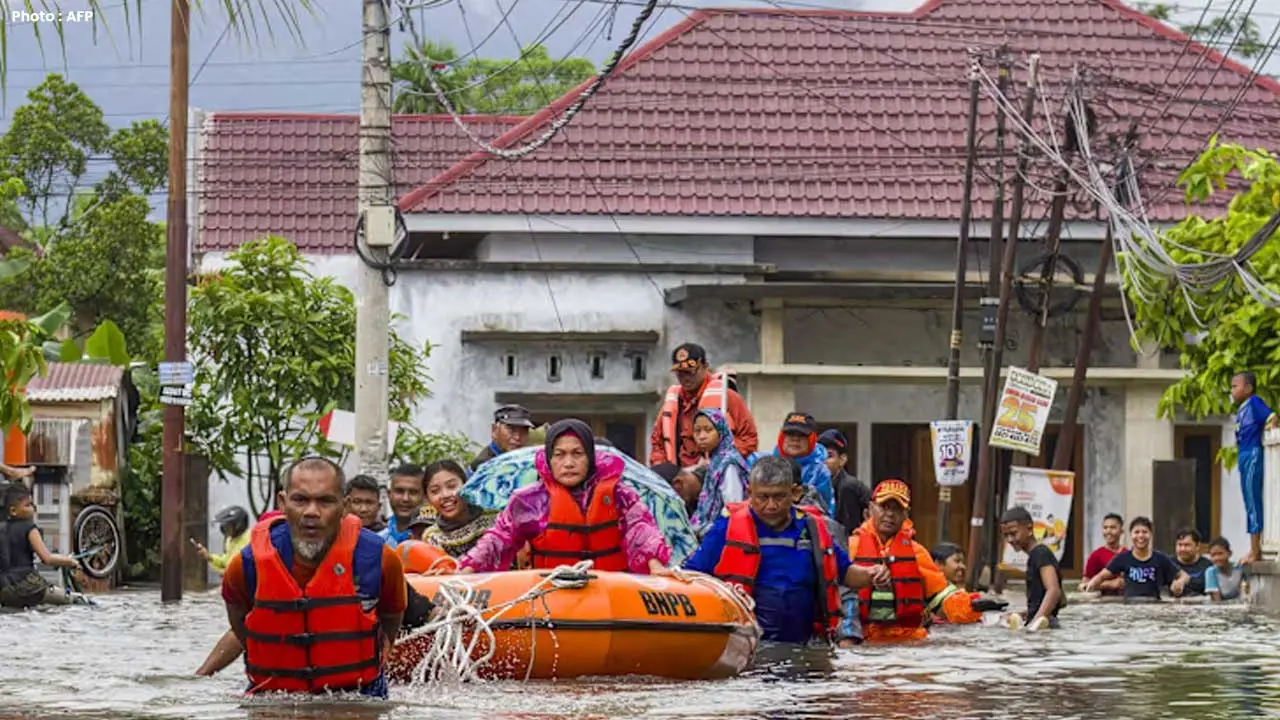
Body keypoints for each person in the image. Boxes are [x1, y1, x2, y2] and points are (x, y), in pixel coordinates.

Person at [219, 457, 407, 697]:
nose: (311, 512)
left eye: (325, 501)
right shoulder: (246, 565)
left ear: (344, 506)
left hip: (359, 693)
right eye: (300, 500)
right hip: (274, 694)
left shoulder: (380, 559)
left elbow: (392, 616)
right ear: (282, 502)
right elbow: (239, 623)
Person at [684, 456, 883, 645]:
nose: (771, 505)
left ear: (795, 493)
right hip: (748, 645)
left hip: (806, 644)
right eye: (763, 497)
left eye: (779, 496)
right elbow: (693, 575)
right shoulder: (727, 528)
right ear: (749, 492)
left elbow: (847, 573)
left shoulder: (813, 529)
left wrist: (872, 574)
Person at [459, 419, 676, 575]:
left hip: (613, 592)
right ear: (549, 459)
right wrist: (468, 568)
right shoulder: (529, 500)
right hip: (553, 592)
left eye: (577, 454)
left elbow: (642, 530)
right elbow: (498, 538)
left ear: (590, 457)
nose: (569, 463)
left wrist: (655, 565)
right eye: (560, 455)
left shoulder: (620, 495)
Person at [849, 479, 983, 642]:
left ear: (906, 514)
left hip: (908, 642)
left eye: (897, 508)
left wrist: (974, 606)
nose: (890, 514)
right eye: (884, 507)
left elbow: (942, 599)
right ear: (871, 509)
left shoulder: (917, 552)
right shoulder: (850, 547)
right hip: (861, 640)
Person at [650, 342, 757, 467]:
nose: (685, 378)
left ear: (705, 366)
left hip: (716, 473)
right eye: (680, 373)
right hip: (679, 477)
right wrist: (662, 466)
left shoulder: (727, 397)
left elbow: (749, 439)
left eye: (690, 372)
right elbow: (657, 442)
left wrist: (720, 459)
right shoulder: (673, 401)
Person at [0, 483, 80, 608]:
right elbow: (47, 558)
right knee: (76, 601)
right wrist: (70, 561)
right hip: (29, 586)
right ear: (13, 511)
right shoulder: (29, 528)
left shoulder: (2, 529)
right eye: (28, 505)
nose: (33, 508)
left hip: (4, 588)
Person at [1082, 517, 1189, 600]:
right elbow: (1101, 576)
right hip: (1130, 606)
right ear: (1131, 535)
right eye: (1137, 532)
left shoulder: (1160, 558)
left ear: (1151, 535)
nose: (1140, 536)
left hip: (1154, 605)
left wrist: (1180, 583)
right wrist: (1090, 586)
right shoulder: (1123, 558)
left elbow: (1184, 575)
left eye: (1145, 532)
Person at [1231, 370, 1277, 564]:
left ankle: (1255, 550)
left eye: (1235, 386)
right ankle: (1253, 548)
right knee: (1248, 500)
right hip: (1243, 454)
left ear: (1248, 388)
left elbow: (1272, 416)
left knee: (1253, 500)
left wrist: (1269, 427)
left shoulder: (1254, 403)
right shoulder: (1241, 409)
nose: (1232, 390)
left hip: (1252, 454)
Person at [750, 412, 833, 513]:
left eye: (802, 435)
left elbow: (823, 510)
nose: (795, 439)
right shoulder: (760, 464)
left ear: (812, 439)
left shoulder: (820, 472)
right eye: (790, 434)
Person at [687, 408, 749, 536]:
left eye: (708, 430)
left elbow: (734, 507)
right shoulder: (715, 460)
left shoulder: (728, 463)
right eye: (697, 431)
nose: (702, 436)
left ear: (721, 431)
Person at [417, 459, 498, 558]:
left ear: (466, 486)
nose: (445, 495)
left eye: (451, 486)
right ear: (427, 499)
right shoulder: (432, 537)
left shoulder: (495, 517)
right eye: (435, 491)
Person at [999, 506, 1064, 630]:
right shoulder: (1034, 555)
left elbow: (1053, 590)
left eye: (1013, 533)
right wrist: (1024, 614)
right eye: (1006, 535)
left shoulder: (1041, 553)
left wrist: (1035, 623)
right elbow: (1038, 601)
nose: (1010, 539)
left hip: (1045, 625)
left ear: (1029, 529)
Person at [820, 429, 869, 534]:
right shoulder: (816, 484)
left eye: (829, 456)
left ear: (842, 460)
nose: (823, 461)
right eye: (819, 455)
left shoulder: (848, 487)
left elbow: (846, 533)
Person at [471, 404, 534, 471]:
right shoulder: (484, 466)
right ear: (494, 430)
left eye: (523, 431)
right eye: (511, 429)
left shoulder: (527, 460)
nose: (517, 437)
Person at [194, 506, 251, 574]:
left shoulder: (248, 541)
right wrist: (208, 556)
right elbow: (226, 561)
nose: (225, 529)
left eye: (228, 526)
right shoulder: (231, 539)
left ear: (239, 525)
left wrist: (223, 573)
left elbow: (237, 571)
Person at [380, 464, 425, 547]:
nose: (405, 499)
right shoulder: (377, 541)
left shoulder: (436, 540)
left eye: (413, 492)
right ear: (389, 494)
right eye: (399, 491)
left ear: (425, 496)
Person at [1083, 512, 1126, 596]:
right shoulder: (1096, 556)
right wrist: (1110, 584)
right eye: (1105, 528)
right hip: (1102, 603)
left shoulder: (1128, 554)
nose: (1108, 531)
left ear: (1121, 531)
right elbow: (1084, 585)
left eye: (1113, 527)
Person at [1204, 536, 1247, 601]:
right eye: (1213, 555)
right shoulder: (1211, 572)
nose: (1217, 558)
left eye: (1220, 554)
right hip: (1220, 607)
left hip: (1238, 605)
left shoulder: (1239, 568)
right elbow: (1217, 601)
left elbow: (1247, 589)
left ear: (1229, 553)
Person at [1172, 528, 1212, 596]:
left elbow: (1206, 588)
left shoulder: (1207, 565)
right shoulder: (1168, 563)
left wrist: (1186, 580)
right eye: (1180, 545)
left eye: (1187, 545)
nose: (1183, 549)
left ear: (1197, 546)